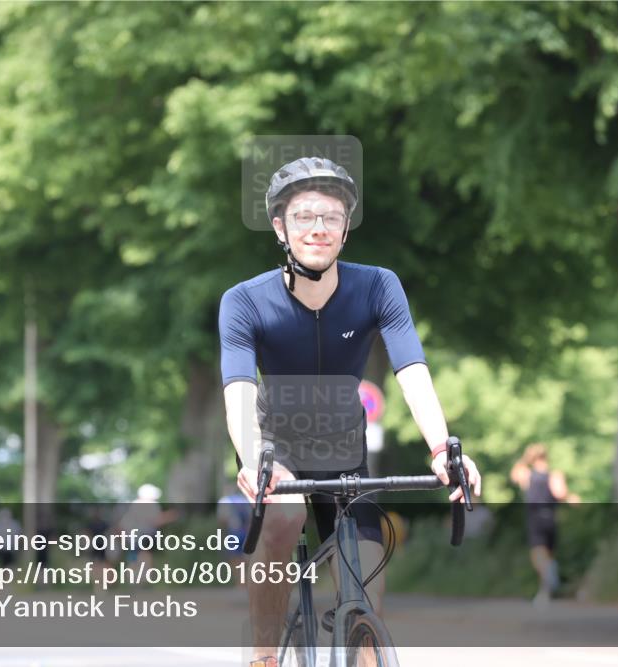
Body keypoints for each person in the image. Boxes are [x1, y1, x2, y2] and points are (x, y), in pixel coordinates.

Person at [219, 156, 481, 667]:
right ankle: (264, 655)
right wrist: (252, 458)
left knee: (365, 583)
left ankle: (362, 643)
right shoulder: (244, 300)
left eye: (331, 217)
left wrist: (440, 449)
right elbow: (239, 389)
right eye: (304, 217)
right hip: (277, 448)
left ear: (346, 229)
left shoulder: (378, 285)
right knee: (283, 519)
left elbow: (412, 370)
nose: (318, 228)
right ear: (280, 227)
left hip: (345, 450)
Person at [510, 443, 580, 607]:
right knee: (548, 555)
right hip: (550, 517)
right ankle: (545, 592)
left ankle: (548, 578)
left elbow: (514, 474)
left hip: (535, 518)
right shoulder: (554, 475)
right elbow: (560, 493)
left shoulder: (527, 474)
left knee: (537, 554)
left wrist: (525, 459)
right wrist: (572, 498)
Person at [217, 481, 251, 576]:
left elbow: (222, 520)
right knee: (246, 557)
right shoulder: (244, 499)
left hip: (233, 532)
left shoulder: (224, 500)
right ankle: (247, 580)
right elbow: (251, 517)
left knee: (235, 558)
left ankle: (240, 582)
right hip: (246, 532)